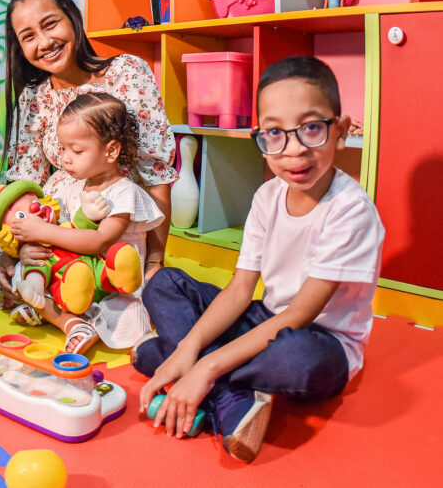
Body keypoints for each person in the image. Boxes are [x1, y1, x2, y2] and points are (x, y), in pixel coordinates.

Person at [133, 56, 384, 463]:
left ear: (339, 131)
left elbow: (299, 315)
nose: (295, 149)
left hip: (320, 341)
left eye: (312, 128)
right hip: (263, 317)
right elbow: (239, 289)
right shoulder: (268, 196)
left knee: (298, 360)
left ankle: (193, 377)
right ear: (261, 139)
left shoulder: (351, 210)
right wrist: (190, 350)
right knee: (164, 283)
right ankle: (224, 393)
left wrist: (203, 367)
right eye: (274, 133)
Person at [0, 0, 177, 311]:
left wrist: (155, 262)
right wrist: (14, 248)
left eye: (50, 24)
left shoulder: (127, 73)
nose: (44, 42)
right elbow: (24, 183)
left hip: (110, 221)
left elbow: (156, 172)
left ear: (72, 19)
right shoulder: (33, 97)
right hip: (49, 218)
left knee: (102, 287)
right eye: (28, 36)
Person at [4, 92, 164, 353]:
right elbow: (62, 235)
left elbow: (98, 241)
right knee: (26, 273)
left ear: (111, 150)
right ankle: (72, 324)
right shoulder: (70, 188)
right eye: (64, 148)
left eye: (76, 150)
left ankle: (70, 319)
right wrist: (30, 248)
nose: (65, 158)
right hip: (73, 276)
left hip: (111, 287)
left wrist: (45, 230)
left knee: (130, 318)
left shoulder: (124, 193)